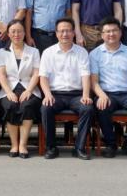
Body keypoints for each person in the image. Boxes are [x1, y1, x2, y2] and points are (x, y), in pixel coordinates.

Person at [89, 18, 127, 159]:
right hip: (106, 93)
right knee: (102, 107)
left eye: (114, 30)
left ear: (120, 33)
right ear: (102, 35)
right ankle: (111, 144)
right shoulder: (95, 54)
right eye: (107, 31)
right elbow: (94, 81)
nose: (111, 34)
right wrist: (101, 95)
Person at [39, 17, 93, 160]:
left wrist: (86, 95)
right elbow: (43, 77)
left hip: (76, 95)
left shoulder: (82, 52)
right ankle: (51, 147)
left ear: (74, 33)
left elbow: (86, 75)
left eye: (68, 31)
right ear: (56, 33)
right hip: (55, 94)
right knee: (46, 108)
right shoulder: (48, 52)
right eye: (62, 31)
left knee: (87, 108)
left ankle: (79, 148)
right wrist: (47, 95)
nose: (65, 34)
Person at [0, 19, 41, 158]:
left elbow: (36, 73)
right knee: (10, 105)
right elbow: (2, 75)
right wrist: (8, 92)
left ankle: (23, 145)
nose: (16, 34)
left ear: (24, 33)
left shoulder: (34, 51)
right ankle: (14, 144)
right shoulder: (2, 52)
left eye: (20, 31)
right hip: (9, 89)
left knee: (27, 105)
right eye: (13, 31)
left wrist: (29, 91)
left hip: (29, 87)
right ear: (8, 34)